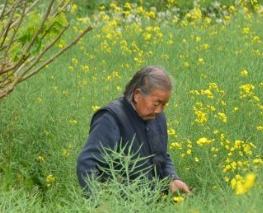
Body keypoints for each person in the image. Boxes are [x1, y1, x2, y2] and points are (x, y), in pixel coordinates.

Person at [76, 65, 191, 196]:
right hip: (121, 207)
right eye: (156, 103)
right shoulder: (111, 118)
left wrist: (172, 178)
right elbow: (87, 162)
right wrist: (98, 203)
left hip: (154, 205)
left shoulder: (156, 116)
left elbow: (161, 154)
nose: (159, 110)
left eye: (164, 104)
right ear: (137, 94)